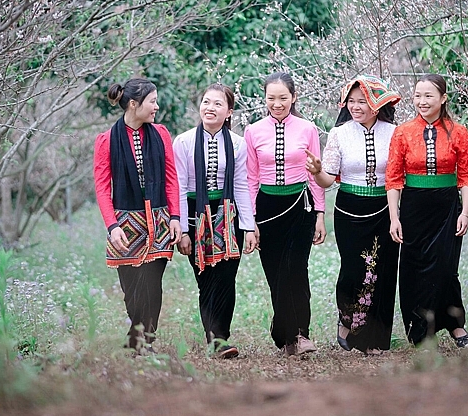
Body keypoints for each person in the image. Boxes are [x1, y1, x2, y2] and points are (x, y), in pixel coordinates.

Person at [305, 75, 402, 355]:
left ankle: (374, 339)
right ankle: (346, 319)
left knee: (382, 272)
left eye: (362, 101)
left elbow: (398, 176)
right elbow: (327, 180)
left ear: (377, 104)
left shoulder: (394, 133)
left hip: (385, 208)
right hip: (349, 210)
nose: (355, 107)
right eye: (351, 101)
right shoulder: (340, 133)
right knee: (353, 271)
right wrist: (317, 172)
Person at [385, 74, 468, 348]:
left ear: (443, 98)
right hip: (413, 206)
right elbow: (393, 178)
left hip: (447, 206)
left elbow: (467, 175)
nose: (422, 101)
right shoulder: (402, 132)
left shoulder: (458, 132)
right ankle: (420, 331)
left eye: (428, 96)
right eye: (417, 96)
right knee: (414, 267)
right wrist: (394, 217)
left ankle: (455, 324)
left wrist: (465, 212)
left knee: (446, 268)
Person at [93, 77, 182, 354]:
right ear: (134, 104)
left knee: (151, 286)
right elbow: (102, 187)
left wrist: (175, 217)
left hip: (159, 222)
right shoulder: (107, 140)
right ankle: (136, 336)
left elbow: (171, 178)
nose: (157, 107)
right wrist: (112, 226)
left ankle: (145, 342)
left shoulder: (161, 134)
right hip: (125, 226)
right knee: (131, 291)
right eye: (152, 101)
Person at [172, 84, 257, 359]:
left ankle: (219, 339)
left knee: (226, 278)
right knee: (205, 278)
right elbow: (179, 186)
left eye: (218, 104)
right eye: (206, 102)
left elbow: (241, 185)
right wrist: (184, 230)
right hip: (195, 213)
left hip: (228, 214)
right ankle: (214, 336)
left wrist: (249, 226)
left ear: (229, 112)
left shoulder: (238, 143)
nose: (210, 108)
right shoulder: (183, 142)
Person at [245, 72, 327, 356]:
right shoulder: (253, 131)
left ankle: (301, 334)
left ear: (294, 97)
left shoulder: (308, 129)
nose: (277, 104)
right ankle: (285, 335)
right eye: (271, 98)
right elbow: (251, 179)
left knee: (296, 269)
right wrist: (250, 221)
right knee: (276, 274)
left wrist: (320, 213)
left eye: (283, 98)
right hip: (267, 209)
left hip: (300, 207)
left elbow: (315, 174)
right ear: (264, 98)